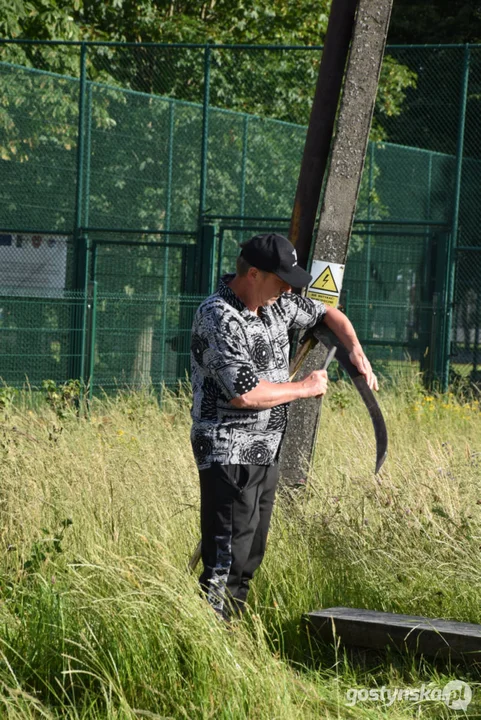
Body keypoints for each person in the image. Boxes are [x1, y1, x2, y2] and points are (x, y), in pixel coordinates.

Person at [190, 233, 378, 620]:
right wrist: (305, 387)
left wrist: (355, 348)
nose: (289, 288)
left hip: (266, 454)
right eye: (282, 280)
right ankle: (202, 647)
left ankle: (229, 641)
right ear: (254, 274)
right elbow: (244, 394)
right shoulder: (218, 317)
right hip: (230, 453)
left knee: (248, 558)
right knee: (225, 564)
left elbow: (327, 313)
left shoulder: (276, 306)